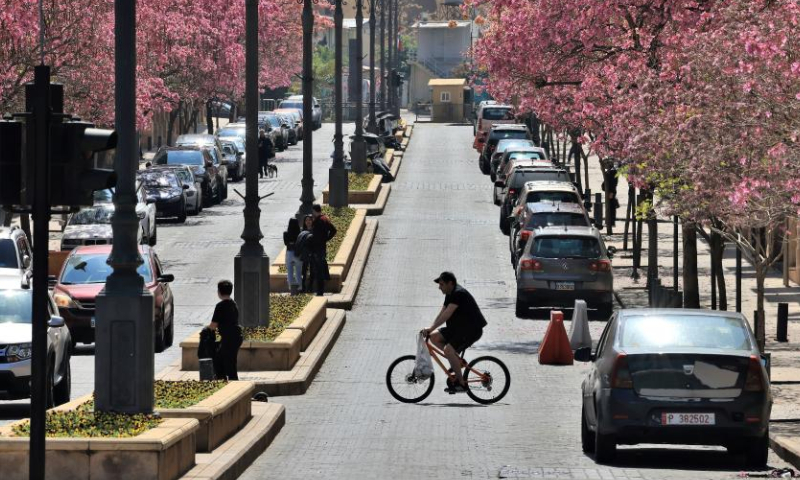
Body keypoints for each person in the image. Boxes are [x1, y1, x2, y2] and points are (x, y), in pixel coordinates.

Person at [422, 272, 487, 394]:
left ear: (450, 283)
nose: (439, 287)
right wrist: (431, 328)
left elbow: (447, 315)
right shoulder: (449, 294)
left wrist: (430, 328)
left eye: (441, 284)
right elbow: (442, 312)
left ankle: (461, 384)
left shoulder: (458, 293)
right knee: (434, 337)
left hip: (471, 330)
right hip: (458, 328)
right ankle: (457, 361)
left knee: (448, 350)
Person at [206, 280, 243, 380]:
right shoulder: (233, 304)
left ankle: (227, 382)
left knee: (222, 362)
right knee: (227, 361)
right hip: (236, 337)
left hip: (228, 338)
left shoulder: (220, 306)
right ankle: (226, 380)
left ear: (219, 292)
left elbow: (213, 325)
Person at [311, 204, 337, 296]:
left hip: (318, 248)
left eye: (312, 211)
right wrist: (326, 239)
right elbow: (334, 230)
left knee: (319, 270)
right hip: (322, 247)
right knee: (321, 266)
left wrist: (324, 239)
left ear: (315, 211)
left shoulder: (319, 221)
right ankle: (321, 288)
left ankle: (320, 291)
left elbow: (316, 235)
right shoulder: (325, 219)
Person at [283, 218, 303, 295]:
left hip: (289, 253)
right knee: (298, 271)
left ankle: (291, 288)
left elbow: (285, 243)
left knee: (290, 272)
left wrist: (291, 243)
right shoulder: (300, 233)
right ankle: (299, 287)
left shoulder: (286, 233)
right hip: (297, 253)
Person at [295, 215, 314, 293]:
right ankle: (302, 287)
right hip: (304, 254)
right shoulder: (302, 231)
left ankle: (310, 287)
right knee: (303, 271)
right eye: (306, 220)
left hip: (313, 253)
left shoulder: (315, 230)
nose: (308, 222)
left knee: (313, 271)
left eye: (310, 220)